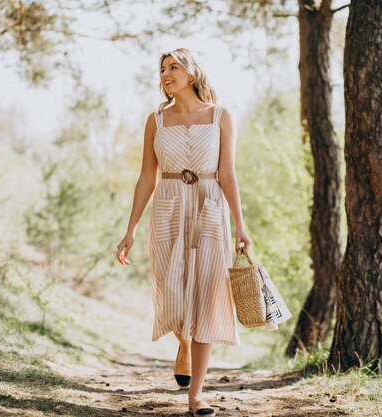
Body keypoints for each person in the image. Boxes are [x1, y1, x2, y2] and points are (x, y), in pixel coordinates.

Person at [116, 47, 252, 417]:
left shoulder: (221, 116)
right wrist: (130, 229)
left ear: (192, 73)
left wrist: (241, 224)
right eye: (162, 69)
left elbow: (227, 174)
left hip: (209, 208)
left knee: (207, 297)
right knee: (172, 294)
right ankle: (183, 343)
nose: (166, 73)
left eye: (174, 67)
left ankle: (197, 395)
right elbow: (148, 176)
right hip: (169, 209)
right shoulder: (155, 121)